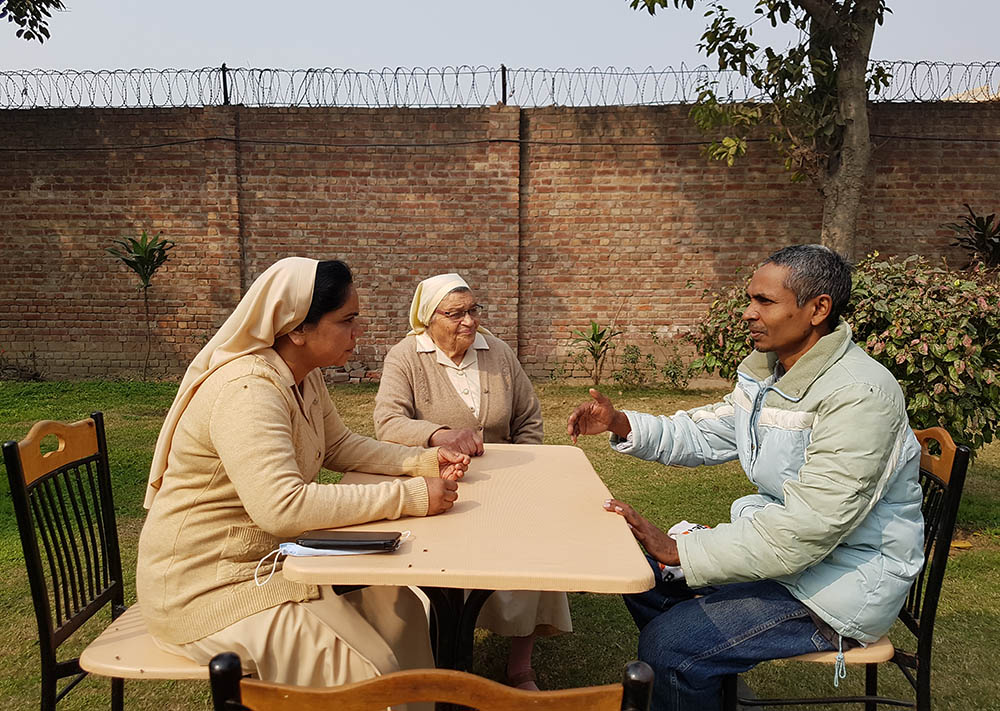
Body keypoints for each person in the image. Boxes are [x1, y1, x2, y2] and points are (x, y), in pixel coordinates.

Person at [567, 245, 924, 711]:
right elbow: (706, 431)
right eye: (750, 299)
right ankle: (709, 687)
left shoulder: (859, 394)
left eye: (765, 301)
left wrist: (682, 550)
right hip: (795, 563)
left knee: (671, 645)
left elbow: (810, 528)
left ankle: (694, 670)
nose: (748, 313)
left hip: (840, 584)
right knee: (643, 575)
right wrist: (622, 424)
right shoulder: (773, 375)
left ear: (818, 309)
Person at [136, 257, 470, 701]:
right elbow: (282, 507)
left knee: (401, 610)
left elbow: (339, 446)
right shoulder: (248, 391)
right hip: (206, 592)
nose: (359, 331)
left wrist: (425, 460)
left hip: (270, 568)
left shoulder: (301, 376)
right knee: (370, 669)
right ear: (297, 328)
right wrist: (411, 496)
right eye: (347, 320)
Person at [373, 272, 571, 690]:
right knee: (431, 563)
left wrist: (524, 470)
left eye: (473, 310)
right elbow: (387, 423)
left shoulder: (497, 352)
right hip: (438, 478)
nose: (469, 321)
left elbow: (527, 418)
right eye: (456, 313)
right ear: (429, 318)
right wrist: (439, 435)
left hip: (507, 480)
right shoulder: (406, 357)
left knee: (531, 552)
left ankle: (520, 665)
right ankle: (434, 654)